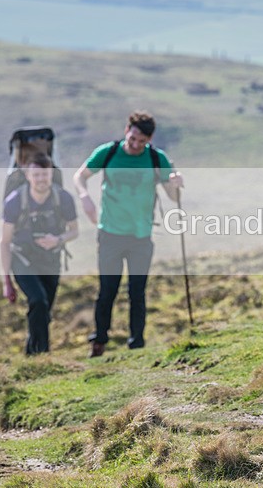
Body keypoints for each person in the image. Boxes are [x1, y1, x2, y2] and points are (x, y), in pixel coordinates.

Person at [73, 111, 183, 357]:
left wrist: (175, 183)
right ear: (127, 131)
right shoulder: (108, 152)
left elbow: (173, 197)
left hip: (141, 235)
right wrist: (85, 197)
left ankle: (137, 344)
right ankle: (100, 339)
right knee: (107, 290)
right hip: (110, 233)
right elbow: (80, 176)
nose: (135, 145)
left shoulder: (157, 158)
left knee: (137, 291)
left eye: (141, 141)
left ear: (149, 139)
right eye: (132, 138)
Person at [0, 153, 79, 355]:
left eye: (44, 175)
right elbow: (5, 241)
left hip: (50, 260)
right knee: (38, 301)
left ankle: (31, 355)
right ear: (28, 176)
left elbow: (74, 230)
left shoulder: (63, 198)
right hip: (22, 259)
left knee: (44, 311)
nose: (41, 179)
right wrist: (6, 281)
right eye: (36, 175)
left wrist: (58, 240)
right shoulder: (15, 201)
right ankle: (43, 355)